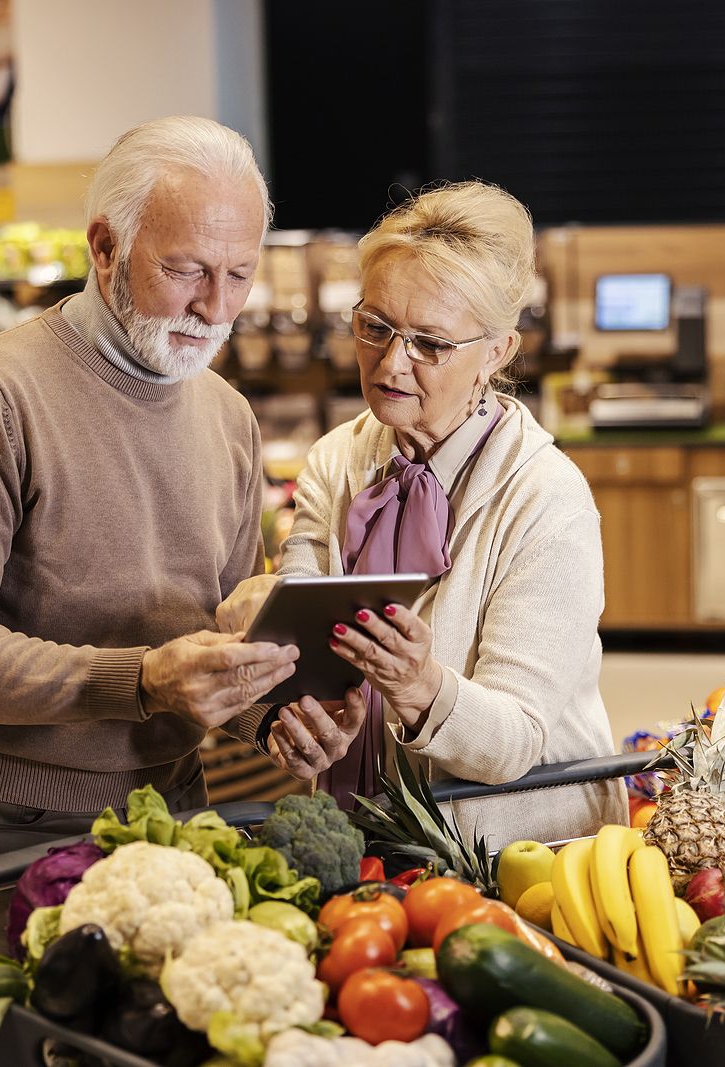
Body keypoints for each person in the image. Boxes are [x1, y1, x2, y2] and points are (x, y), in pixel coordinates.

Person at [0, 116, 359, 951]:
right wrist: (140, 680)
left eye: (239, 274)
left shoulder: (229, 416)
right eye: (186, 270)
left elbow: (218, 635)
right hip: (9, 819)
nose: (215, 307)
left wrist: (272, 714)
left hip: (176, 803)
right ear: (105, 247)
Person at [220, 181, 625, 848]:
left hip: (523, 854)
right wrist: (288, 710)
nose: (391, 362)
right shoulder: (335, 461)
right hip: (367, 835)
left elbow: (516, 739)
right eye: (375, 327)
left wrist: (420, 686)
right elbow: (305, 649)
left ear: (495, 352)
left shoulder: (546, 498)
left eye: (430, 344)